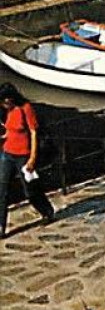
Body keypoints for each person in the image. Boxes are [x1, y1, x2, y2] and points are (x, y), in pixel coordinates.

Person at [0, 84, 55, 238]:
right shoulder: (8, 111)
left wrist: (32, 158)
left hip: (23, 155)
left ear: (9, 99)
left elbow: (33, 133)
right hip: (7, 152)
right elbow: (10, 130)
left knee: (29, 190)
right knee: (2, 190)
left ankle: (46, 210)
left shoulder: (26, 108)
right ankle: (1, 226)